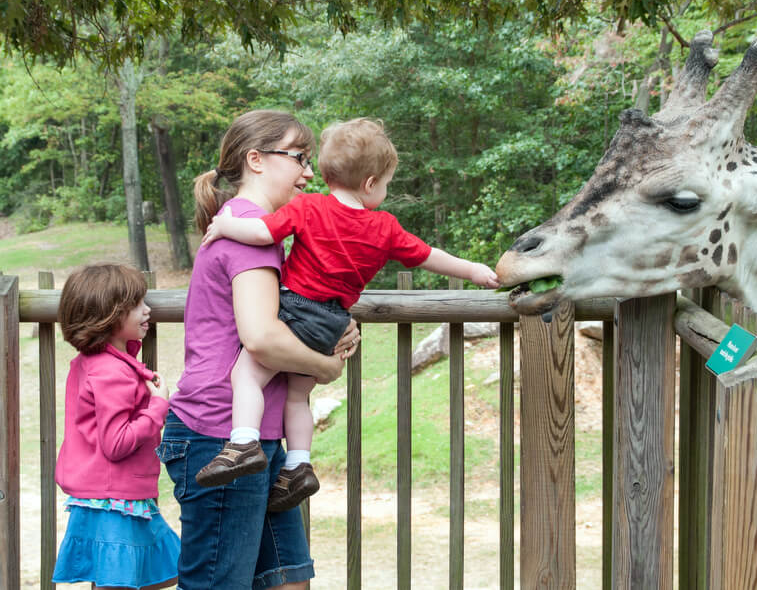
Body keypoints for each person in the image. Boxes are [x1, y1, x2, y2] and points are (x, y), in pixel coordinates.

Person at [196, 117, 499, 508]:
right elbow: (428, 256)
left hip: (296, 309)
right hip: (332, 321)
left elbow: (259, 234)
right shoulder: (386, 228)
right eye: (387, 184)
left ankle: (242, 443)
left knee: (246, 374)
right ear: (371, 183)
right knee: (298, 396)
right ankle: (300, 464)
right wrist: (474, 269)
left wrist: (225, 225)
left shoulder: (309, 207)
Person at [161, 110, 360, 589]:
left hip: (257, 440)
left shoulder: (260, 229)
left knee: (288, 580)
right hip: (218, 434)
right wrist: (327, 366)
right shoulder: (248, 229)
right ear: (256, 160)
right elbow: (261, 337)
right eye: (299, 158)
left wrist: (336, 325)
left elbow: (292, 309)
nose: (309, 173)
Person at [51, 263, 180, 590]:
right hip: (115, 500)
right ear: (109, 315)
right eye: (137, 305)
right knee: (129, 582)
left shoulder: (93, 363)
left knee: (159, 573)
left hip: (111, 497)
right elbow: (116, 441)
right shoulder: (113, 372)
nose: (148, 310)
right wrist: (158, 406)